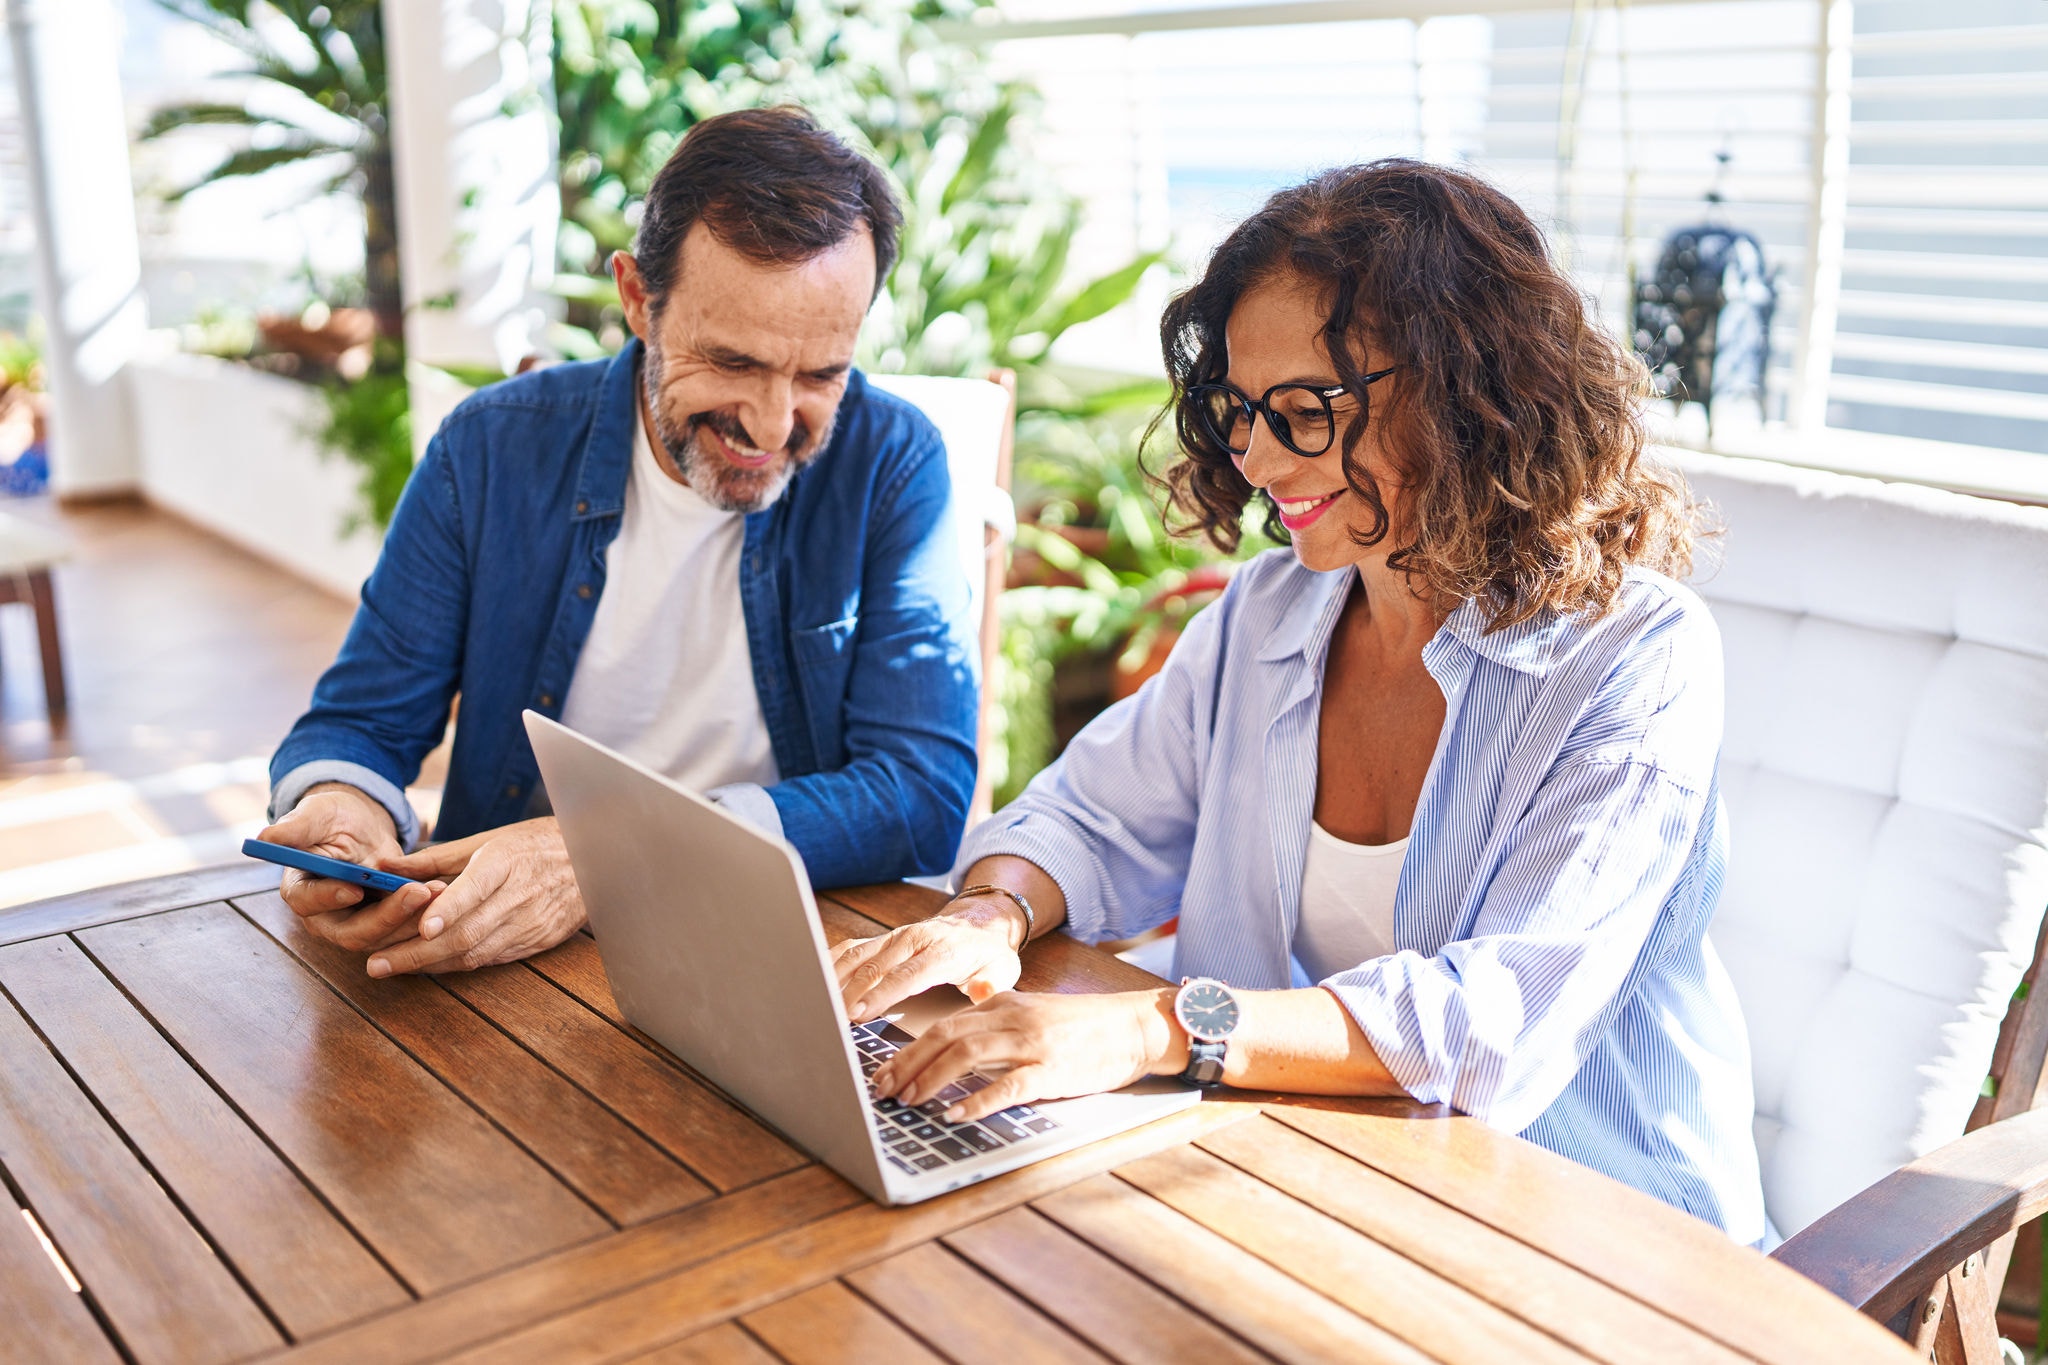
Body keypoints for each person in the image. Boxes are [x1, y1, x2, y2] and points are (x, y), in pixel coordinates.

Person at [834, 159, 1768, 1243]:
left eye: (1306, 409)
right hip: (1325, 1189)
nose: (1258, 455)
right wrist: (989, 917)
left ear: (1468, 392)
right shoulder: (1270, 612)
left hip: (1597, 1243)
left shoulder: (1631, 659)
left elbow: (1484, 1030)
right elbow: (1089, 817)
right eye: (1239, 409)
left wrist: (1150, 1032)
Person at [261, 107, 979, 979]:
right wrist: (343, 812)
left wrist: (612, 855)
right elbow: (362, 719)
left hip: (777, 944)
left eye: (821, 373)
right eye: (734, 362)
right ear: (639, 300)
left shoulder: (893, 462)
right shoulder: (488, 448)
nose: (772, 422)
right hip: (508, 954)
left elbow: (921, 792)